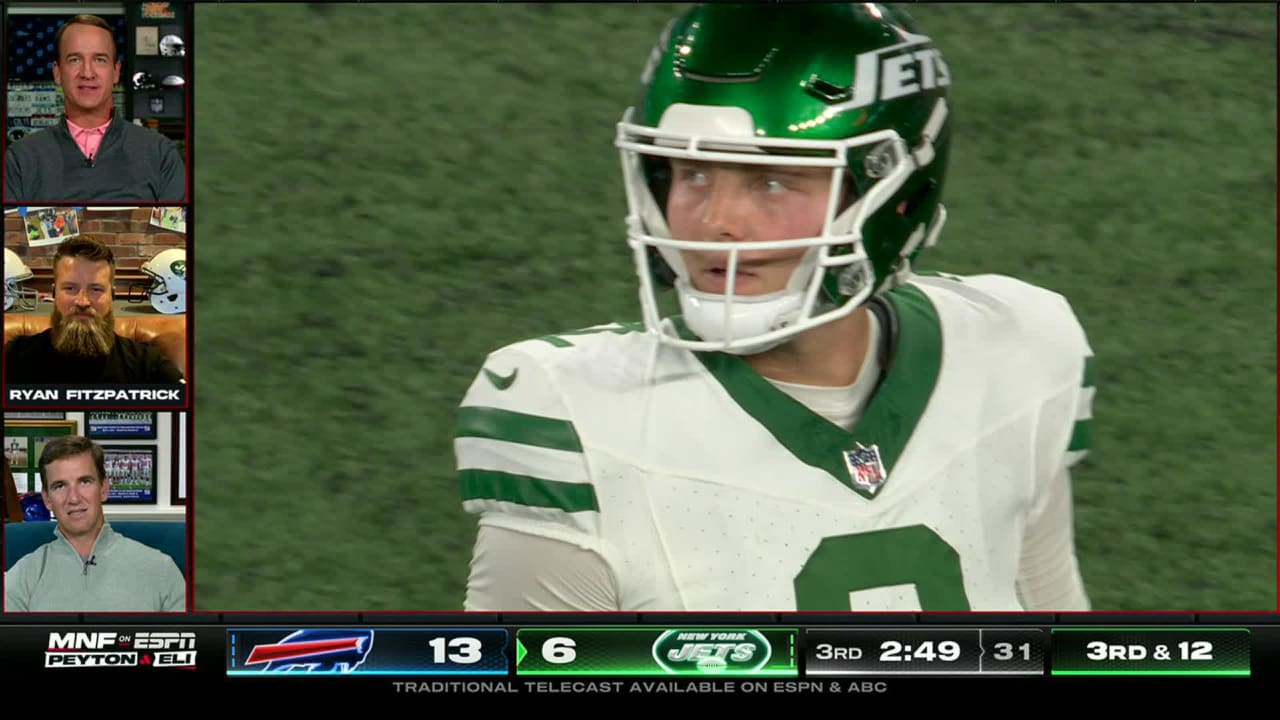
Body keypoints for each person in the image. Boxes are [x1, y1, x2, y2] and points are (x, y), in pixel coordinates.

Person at [454, 4, 1095, 612]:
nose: (716, 222)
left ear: (893, 191)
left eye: (771, 180)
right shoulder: (573, 414)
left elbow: (1055, 636)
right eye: (692, 174)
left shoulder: (1016, 350)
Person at [3, 14, 186, 202]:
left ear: (116, 72)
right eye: (75, 59)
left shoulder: (160, 153)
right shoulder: (21, 159)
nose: (87, 73)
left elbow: (177, 231)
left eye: (100, 59)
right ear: (57, 73)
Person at [4, 436, 185, 612]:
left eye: (84, 482)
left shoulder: (161, 570)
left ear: (104, 488)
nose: (73, 498)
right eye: (60, 486)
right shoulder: (21, 578)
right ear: (47, 499)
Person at [3, 235, 185, 384]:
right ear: (54, 293)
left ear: (111, 296)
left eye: (96, 289)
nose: (83, 301)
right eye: (70, 288)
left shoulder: (147, 365)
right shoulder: (15, 358)